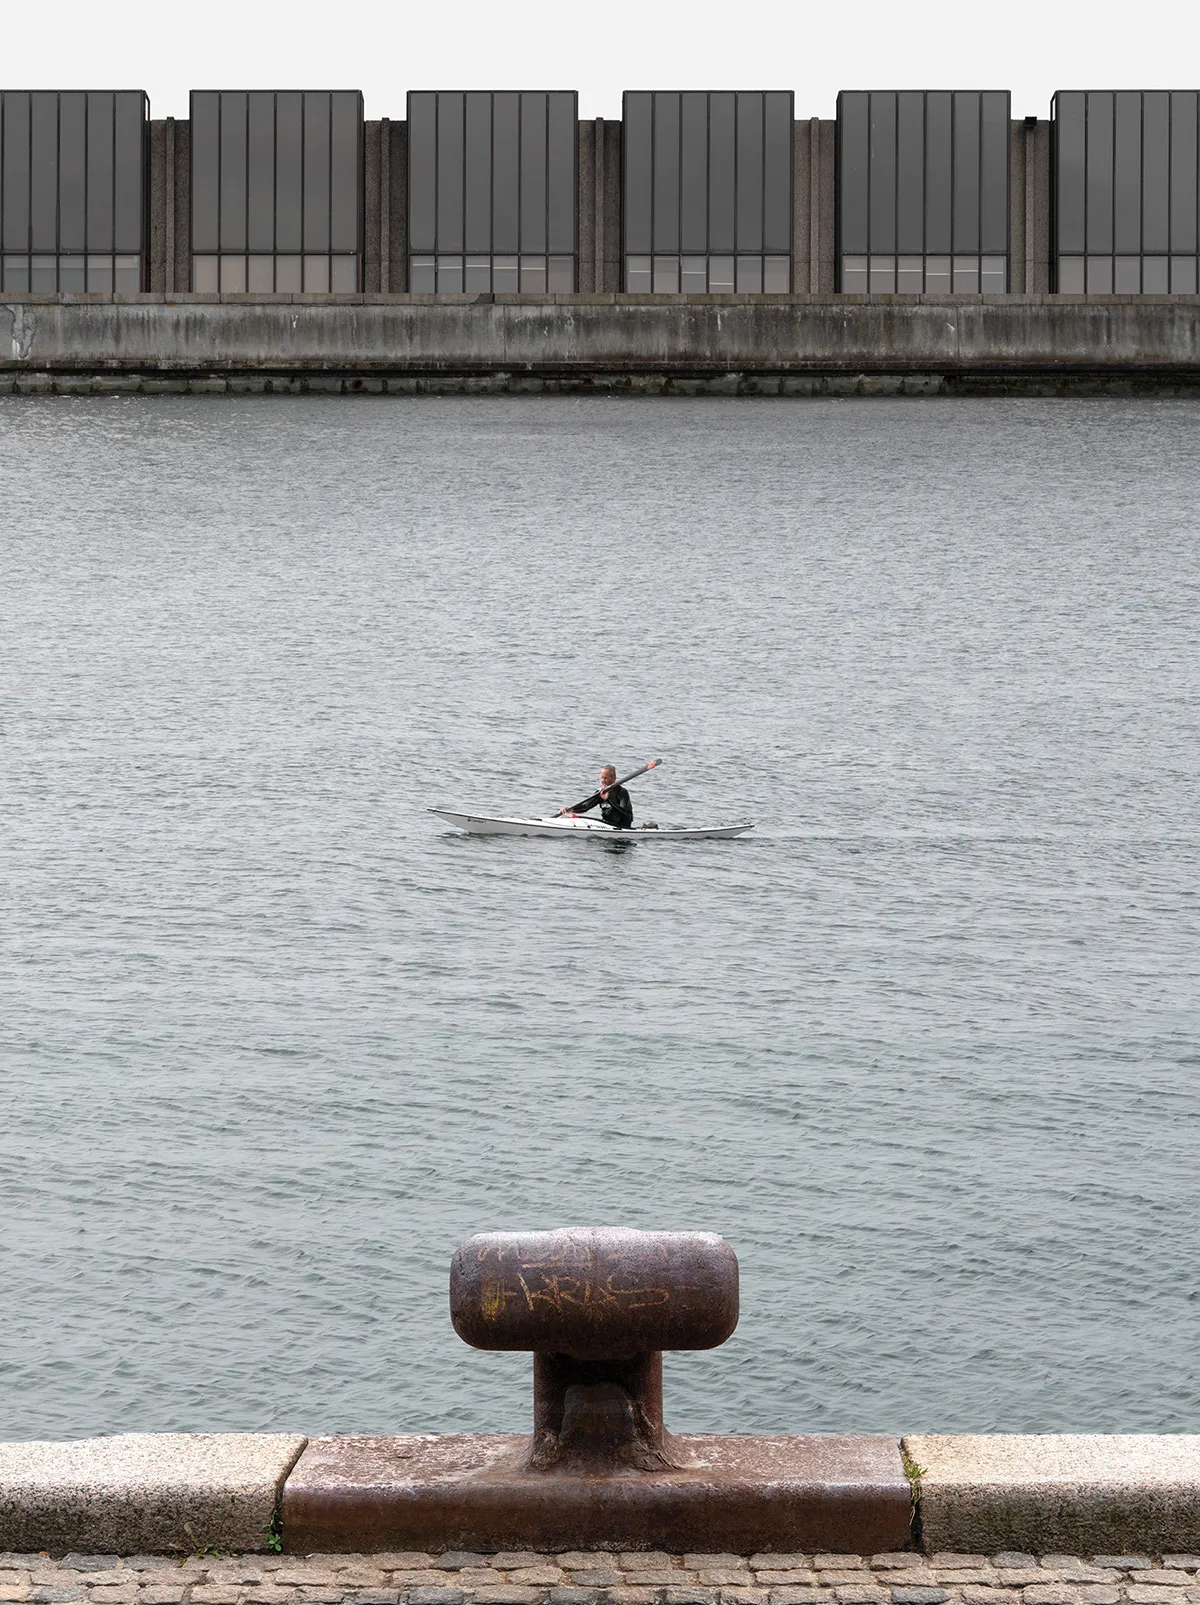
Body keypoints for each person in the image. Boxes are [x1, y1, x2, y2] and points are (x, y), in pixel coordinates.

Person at [560, 764, 634, 829]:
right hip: (607, 824)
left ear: (613, 777)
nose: (603, 781)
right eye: (602, 778)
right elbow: (585, 807)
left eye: (605, 778)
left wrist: (608, 800)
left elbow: (624, 812)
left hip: (622, 825)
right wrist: (571, 809)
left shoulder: (622, 792)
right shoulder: (600, 793)